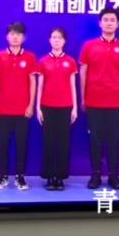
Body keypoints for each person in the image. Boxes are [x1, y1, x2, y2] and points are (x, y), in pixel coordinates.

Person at [79, 7, 119, 190]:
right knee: (95, 140)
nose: (109, 23)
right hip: (94, 100)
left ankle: (113, 176)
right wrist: (83, 97)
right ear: (99, 23)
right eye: (106, 20)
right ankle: (95, 175)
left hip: (116, 101)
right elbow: (83, 73)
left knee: (114, 140)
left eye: (112, 20)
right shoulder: (89, 46)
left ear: (118, 24)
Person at [0, 22, 38, 190]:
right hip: (2, 109)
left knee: (21, 144)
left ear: (24, 38)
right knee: (2, 144)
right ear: (7, 37)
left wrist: (31, 105)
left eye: (18, 34)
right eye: (12, 34)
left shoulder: (30, 57)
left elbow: (33, 82)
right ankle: (2, 176)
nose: (15, 37)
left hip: (23, 110)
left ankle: (20, 176)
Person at [36, 27, 78, 190]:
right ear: (49, 40)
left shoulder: (70, 61)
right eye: (53, 37)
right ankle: (49, 176)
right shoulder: (43, 61)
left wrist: (74, 108)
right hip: (47, 107)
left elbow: (73, 86)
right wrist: (38, 108)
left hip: (65, 107)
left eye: (59, 38)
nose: (56, 40)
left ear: (64, 41)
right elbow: (40, 86)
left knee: (63, 143)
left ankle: (60, 177)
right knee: (48, 142)